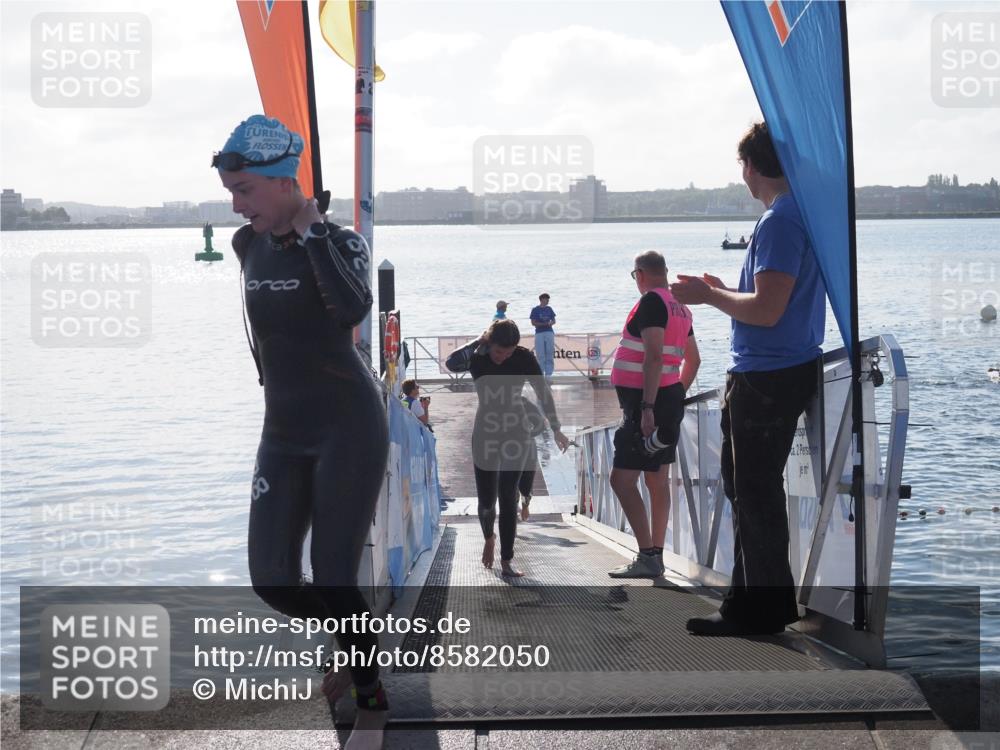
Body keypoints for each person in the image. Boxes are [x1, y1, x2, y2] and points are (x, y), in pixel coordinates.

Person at [215, 114, 388, 749]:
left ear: (285, 182)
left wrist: (314, 234)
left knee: (335, 573)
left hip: (348, 426)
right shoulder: (248, 245)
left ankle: (372, 704)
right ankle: (358, 637)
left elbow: (352, 308)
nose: (237, 205)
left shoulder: (342, 243)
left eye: (245, 190)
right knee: (272, 579)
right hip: (283, 432)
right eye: (231, 192)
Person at [671, 121, 825, 637]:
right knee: (749, 489)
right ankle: (756, 604)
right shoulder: (794, 215)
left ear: (752, 166)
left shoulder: (780, 221)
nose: (742, 173)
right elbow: (770, 301)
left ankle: (757, 610)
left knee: (754, 492)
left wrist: (709, 297)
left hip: (768, 375)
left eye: (742, 164)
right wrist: (723, 290)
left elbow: (767, 310)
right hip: (777, 369)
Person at [446, 319, 570, 576]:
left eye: (508, 352)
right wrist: (478, 341)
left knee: (507, 494)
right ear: (489, 343)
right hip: (485, 431)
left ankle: (507, 560)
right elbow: (451, 363)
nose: (502, 357)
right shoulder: (478, 356)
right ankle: (489, 538)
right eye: (499, 351)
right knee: (487, 501)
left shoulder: (523, 357)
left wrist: (556, 428)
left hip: (516, 431)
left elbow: (543, 392)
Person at [607, 251, 700, 578]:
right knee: (656, 480)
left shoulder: (651, 302)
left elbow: (655, 357)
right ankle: (655, 556)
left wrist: (648, 407)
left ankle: (647, 555)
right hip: (667, 398)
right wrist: (675, 396)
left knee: (621, 480)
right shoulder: (680, 307)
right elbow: (694, 360)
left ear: (641, 274)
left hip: (644, 405)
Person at [529, 293, 557, 379]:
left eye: (548, 299)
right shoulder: (535, 309)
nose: (548, 301)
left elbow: (554, 320)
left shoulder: (549, 309)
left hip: (549, 332)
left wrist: (551, 323)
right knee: (540, 354)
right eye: (546, 299)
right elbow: (533, 322)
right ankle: (540, 373)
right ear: (541, 300)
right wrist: (543, 324)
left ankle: (548, 375)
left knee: (549, 353)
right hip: (539, 333)